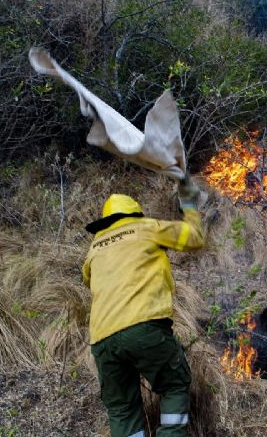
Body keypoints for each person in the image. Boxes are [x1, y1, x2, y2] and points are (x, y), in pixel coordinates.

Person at [82, 177, 204, 437]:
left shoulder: (94, 248)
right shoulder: (146, 227)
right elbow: (194, 237)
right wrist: (190, 207)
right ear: (135, 214)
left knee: (122, 409)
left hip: (102, 340)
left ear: (106, 221)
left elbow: (88, 279)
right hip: (143, 327)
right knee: (174, 384)